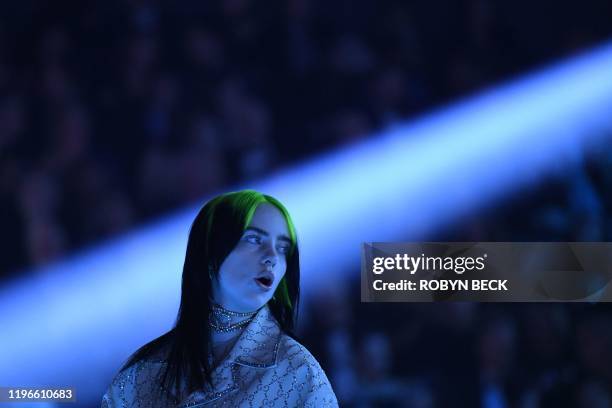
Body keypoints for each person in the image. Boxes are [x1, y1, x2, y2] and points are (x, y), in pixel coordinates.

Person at [101, 190, 338, 407]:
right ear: (210, 249)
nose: (272, 257)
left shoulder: (299, 372)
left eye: (283, 248)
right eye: (255, 239)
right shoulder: (140, 373)